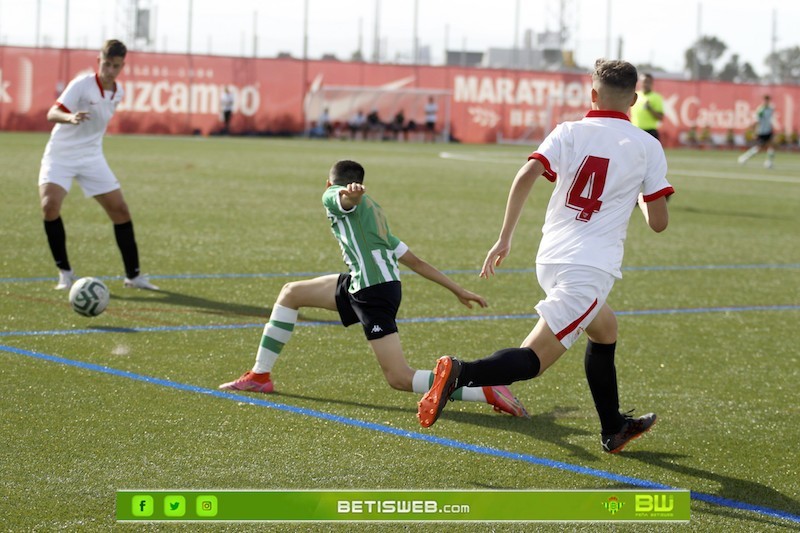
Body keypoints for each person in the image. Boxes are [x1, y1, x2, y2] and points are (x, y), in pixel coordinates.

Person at [416, 59, 674, 454]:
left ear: (592, 94)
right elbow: (658, 223)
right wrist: (642, 195)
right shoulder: (647, 145)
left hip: (551, 257)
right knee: (534, 362)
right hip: (589, 268)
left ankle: (613, 427)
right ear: (635, 99)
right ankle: (460, 372)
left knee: (605, 330)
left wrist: (504, 239)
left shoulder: (568, 131)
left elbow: (525, 176)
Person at [220, 160, 528, 418]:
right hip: (363, 283)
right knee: (291, 293)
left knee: (399, 377)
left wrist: (348, 196)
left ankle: (483, 390)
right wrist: (458, 290)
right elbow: (416, 261)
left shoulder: (334, 196)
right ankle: (260, 376)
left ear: (328, 183)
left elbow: (341, 200)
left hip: (373, 292)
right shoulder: (374, 212)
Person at [38, 39, 159, 291]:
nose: (110, 70)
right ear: (98, 61)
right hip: (61, 155)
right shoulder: (81, 84)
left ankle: (133, 276)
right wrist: (69, 117)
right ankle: (65, 273)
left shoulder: (119, 92)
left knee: (120, 211)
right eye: (106, 64)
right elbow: (52, 113)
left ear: (122, 66)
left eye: (115, 66)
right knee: (50, 207)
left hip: (92, 157)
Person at [738, 94, 775, 169]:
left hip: (768, 131)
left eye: (767, 100)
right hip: (761, 131)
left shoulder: (771, 109)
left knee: (771, 146)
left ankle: (768, 162)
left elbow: (770, 120)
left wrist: (772, 128)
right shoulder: (761, 110)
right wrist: (754, 131)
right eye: (765, 100)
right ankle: (744, 157)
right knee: (759, 148)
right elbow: (756, 121)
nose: (766, 102)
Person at [630, 73, 664, 141]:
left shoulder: (656, 97)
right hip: (635, 130)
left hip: (650, 131)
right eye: (644, 81)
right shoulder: (634, 95)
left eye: (648, 82)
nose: (645, 84)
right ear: (640, 82)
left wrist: (650, 109)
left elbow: (660, 117)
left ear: (652, 83)